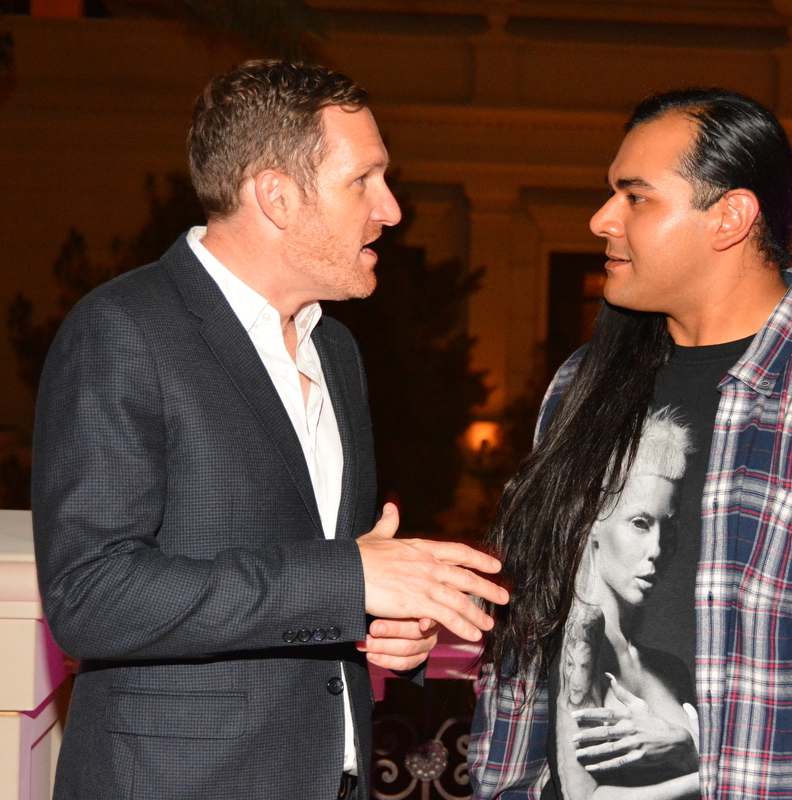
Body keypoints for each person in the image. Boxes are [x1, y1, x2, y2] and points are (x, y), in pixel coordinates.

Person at [470, 88, 792, 800]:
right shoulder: (582, 385)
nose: (602, 219)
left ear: (730, 217)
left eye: (635, 197)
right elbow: (532, 628)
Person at [33, 59, 508, 800]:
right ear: (276, 196)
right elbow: (91, 596)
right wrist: (350, 578)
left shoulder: (336, 350)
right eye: (364, 180)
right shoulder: (123, 330)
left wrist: (386, 622)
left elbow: (329, 580)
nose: (390, 209)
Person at [555, 407, 699, 800]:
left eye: (668, 527)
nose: (657, 549)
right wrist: (712, 774)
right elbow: (583, 798)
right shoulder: (580, 642)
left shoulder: (672, 670)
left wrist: (691, 753)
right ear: (593, 522)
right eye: (640, 523)